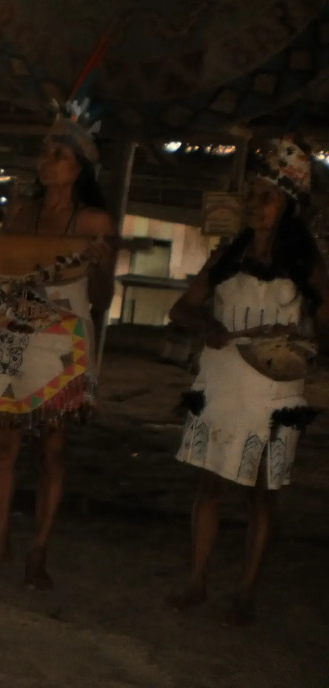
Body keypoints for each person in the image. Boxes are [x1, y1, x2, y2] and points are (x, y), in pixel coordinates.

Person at [166, 138, 329, 625]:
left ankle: (246, 592)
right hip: (221, 384)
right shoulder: (226, 258)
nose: (255, 205)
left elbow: (327, 327)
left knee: (262, 493)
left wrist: (302, 341)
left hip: (275, 393)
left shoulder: (307, 267)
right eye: (252, 195)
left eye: (267, 197)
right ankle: (197, 582)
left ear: (288, 206)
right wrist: (207, 325)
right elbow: (181, 309)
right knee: (210, 486)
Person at [0, 108, 115, 589]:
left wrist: (97, 262)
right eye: (44, 153)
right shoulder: (20, 212)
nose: (46, 161)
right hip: (12, 329)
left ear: (80, 167)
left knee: (52, 447)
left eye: (58, 155)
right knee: (3, 443)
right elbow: (1, 274)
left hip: (63, 336)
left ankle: (38, 551)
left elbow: (103, 297)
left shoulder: (93, 220)